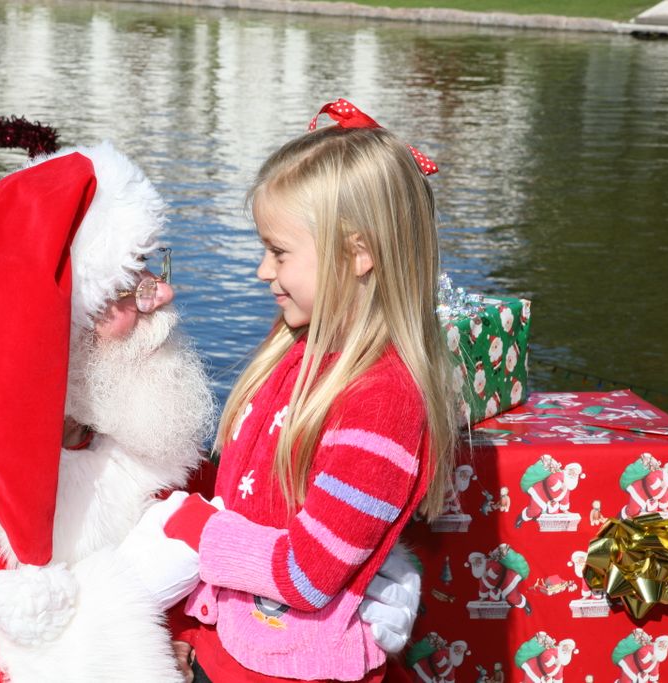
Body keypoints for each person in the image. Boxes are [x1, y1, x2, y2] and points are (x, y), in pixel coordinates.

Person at [0, 141, 420, 682]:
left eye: (151, 268)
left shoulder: (118, 419)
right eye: (129, 285)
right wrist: (124, 599)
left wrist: (327, 596)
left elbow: (207, 546)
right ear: (41, 329)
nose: (163, 294)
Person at [158, 100, 459, 682]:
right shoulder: (300, 345)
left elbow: (307, 571)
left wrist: (194, 531)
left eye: (279, 252)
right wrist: (192, 626)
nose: (262, 271)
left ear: (359, 253)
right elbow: (247, 498)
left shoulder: (382, 401)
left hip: (295, 668)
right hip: (238, 651)